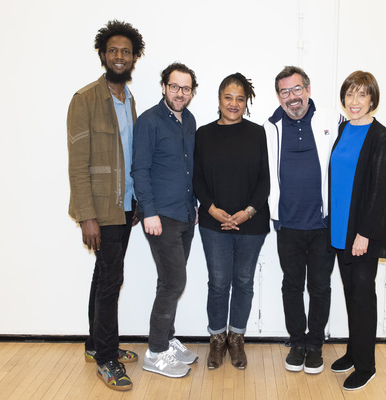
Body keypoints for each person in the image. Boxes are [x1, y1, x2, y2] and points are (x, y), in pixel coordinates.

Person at [67, 20, 144, 391]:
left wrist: (138, 200)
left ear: (134, 57)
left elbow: (130, 157)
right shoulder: (84, 100)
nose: (119, 56)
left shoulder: (130, 99)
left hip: (126, 205)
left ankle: (96, 345)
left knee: (104, 275)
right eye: (112, 50)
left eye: (125, 51)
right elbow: (77, 163)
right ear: (102, 54)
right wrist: (86, 216)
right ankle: (108, 359)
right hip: (101, 208)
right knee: (111, 280)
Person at [264, 66, 342, 374]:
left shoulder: (332, 122)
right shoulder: (270, 127)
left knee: (320, 286)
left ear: (307, 89)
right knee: (292, 285)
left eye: (297, 89)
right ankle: (297, 342)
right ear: (279, 96)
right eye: (285, 92)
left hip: (323, 224)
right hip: (288, 224)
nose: (292, 97)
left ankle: (315, 345)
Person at [193, 73, 270, 370]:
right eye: (228, 97)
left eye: (240, 98)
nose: (234, 103)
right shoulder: (203, 134)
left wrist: (248, 211)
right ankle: (216, 338)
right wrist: (212, 210)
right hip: (214, 224)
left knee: (244, 282)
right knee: (219, 282)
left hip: (251, 222)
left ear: (246, 102)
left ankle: (236, 338)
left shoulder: (257, 133)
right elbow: (196, 177)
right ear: (219, 99)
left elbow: (265, 179)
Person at [131, 62, 199, 378]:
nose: (180, 93)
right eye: (174, 86)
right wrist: (149, 212)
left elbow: (188, 168)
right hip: (161, 216)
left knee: (167, 281)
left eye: (186, 88)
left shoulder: (189, 121)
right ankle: (155, 352)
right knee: (174, 282)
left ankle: (167, 339)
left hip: (185, 213)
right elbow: (140, 170)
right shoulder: (149, 122)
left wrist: (194, 205)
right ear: (164, 87)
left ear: (191, 92)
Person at [329, 71, 386, 390]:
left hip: (362, 233)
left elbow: (379, 191)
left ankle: (366, 365)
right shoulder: (343, 129)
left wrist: (364, 234)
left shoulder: (380, 137)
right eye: (350, 95)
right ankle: (354, 352)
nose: (354, 102)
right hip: (340, 229)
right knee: (351, 295)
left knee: (363, 298)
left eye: (361, 95)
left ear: (372, 99)